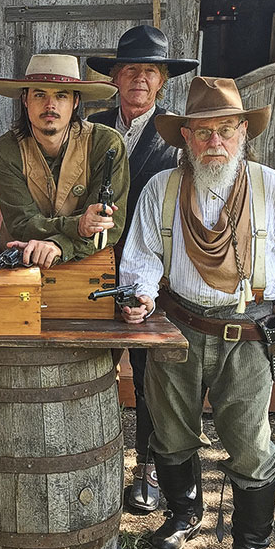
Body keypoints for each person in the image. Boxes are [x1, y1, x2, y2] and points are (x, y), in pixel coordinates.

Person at [119, 77, 275, 549]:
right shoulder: (162, 188)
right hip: (177, 326)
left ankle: (251, 539)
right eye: (202, 131)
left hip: (250, 333)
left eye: (226, 130)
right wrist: (141, 297)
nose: (214, 141)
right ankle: (183, 515)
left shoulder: (272, 189)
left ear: (243, 133)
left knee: (249, 441)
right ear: (186, 137)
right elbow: (141, 257)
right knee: (171, 429)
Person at [86, 25, 199, 513]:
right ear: (114, 77)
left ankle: (146, 468)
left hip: (154, 270)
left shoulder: (177, 136)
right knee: (90, 365)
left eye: (149, 71)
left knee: (149, 370)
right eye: (130, 69)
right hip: (91, 264)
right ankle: (92, 456)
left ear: (162, 81)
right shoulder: (89, 126)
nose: (138, 79)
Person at [0, 53, 128, 268]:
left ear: (75, 101)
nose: (50, 105)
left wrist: (60, 246)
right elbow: (22, 223)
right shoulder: (5, 150)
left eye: (61, 96)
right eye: (40, 95)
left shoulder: (105, 144)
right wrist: (78, 225)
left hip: (86, 266)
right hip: (19, 262)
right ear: (25, 99)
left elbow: (108, 224)